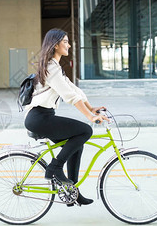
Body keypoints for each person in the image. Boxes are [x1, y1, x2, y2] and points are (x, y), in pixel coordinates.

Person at [24, 28, 109, 206]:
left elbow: (75, 91)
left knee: (76, 144)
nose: (68, 45)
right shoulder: (51, 68)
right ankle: (54, 168)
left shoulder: (56, 67)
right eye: (65, 42)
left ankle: (72, 192)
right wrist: (90, 118)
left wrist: (91, 109)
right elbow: (69, 97)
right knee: (85, 130)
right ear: (55, 45)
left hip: (43, 117)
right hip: (39, 118)